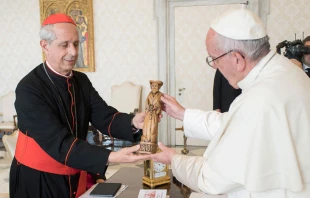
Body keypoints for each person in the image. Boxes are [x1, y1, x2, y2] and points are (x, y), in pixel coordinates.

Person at [151, 8, 310, 198]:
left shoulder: (259, 99)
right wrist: (183, 114)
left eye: (214, 59)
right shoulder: (285, 70)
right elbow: (237, 125)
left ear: (237, 59)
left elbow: (212, 179)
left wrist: (173, 159)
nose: (214, 66)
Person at [10, 13, 149, 198]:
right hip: (39, 180)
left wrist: (133, 122)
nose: (74, 52)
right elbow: (58, 142)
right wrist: (111, 156)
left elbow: (103, 115)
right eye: (64, 45)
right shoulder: (29, 88)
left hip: (76, 169)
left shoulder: (81, 80)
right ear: (45, 46)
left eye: (76, 44)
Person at [140, 80, 163, 154]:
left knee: (153, 128)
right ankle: (146, 141)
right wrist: (148, 107)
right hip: (148, 114)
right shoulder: (149, 94)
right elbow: (146, 103)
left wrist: (156, 108)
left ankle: (152, 142)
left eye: (155, 86)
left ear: (159, 87)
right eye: (152, 86)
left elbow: (161, 105)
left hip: (154, 115)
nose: (154, 87)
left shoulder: (160, 95)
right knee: (146, 127)